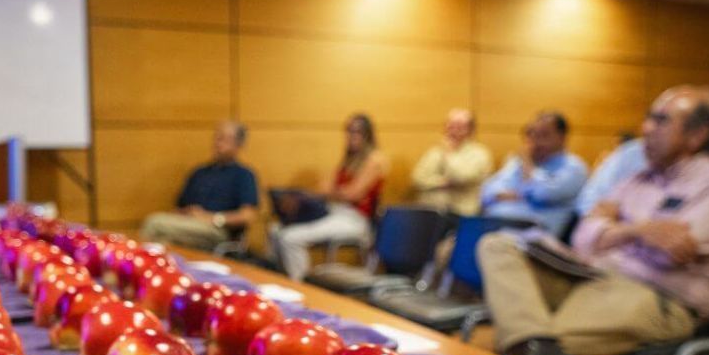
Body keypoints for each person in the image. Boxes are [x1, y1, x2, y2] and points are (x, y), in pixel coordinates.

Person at [477, 86, 709, 355]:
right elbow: (583, 235)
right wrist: (641, 230)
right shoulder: (638, 179)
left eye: (661, 120)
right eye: (648, 118)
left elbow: (667, 254)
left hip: (655, 294)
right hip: (592, 275)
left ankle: (536, 351)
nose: (646, 129)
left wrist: (613, 227)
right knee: (498, 245)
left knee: (539, 351)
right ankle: (538, 348)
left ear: (697, 135)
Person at [270, 114, 387, 281]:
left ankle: (300, 285)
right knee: (276, 231)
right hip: (334, 212)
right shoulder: (348, 159)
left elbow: (353, 193)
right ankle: (283, 281)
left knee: (290, 238)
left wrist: (332, 192)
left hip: (356, 220)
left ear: (367, 134)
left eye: (356, 132)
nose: (350, 136)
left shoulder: (375, 159)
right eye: (348, 131)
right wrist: (334, 193)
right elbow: (323, 188)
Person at [140, 121, 258, 251]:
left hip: (218, 230)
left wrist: (213, 218)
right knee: (163, 241)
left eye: (224, 139)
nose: (218, 143)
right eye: (217, 137)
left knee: (154, 223)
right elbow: (179, 207)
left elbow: (248, 216)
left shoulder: (243, 175)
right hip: (190, 224)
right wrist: (189, 213)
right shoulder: (200, 172)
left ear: (238, 145)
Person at [479, 112, 588, 234]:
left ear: (562, 137)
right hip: (497, 223)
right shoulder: (518, 163)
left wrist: (527, 167)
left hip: (534, 235)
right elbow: (487, 191)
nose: (536, 141)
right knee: (457, 238)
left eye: (544, 135)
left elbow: (543, 193)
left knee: (490, 243)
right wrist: (519, 194)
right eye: (534, 134)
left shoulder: (574, 167)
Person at [410, 108, 493, 216]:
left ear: (470, 130)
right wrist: (442, 183)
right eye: (450, 125)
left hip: (461, 211)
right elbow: (417, 178)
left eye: (459, 126)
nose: (453, 130)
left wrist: (448, 154)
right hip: (430, 209)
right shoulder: (436, 151)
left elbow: (461, 177)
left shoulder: (480, 154)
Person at [575, 137, 648, 217]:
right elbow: (588, 200)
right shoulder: (630, 153)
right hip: (597, 220)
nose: (648, 128)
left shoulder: (631, 154)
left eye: (661, 124)